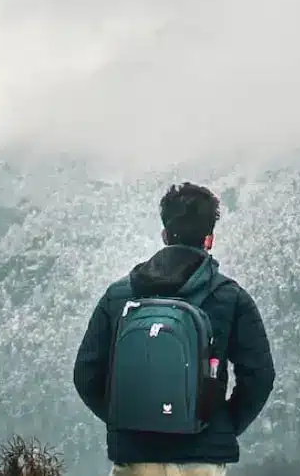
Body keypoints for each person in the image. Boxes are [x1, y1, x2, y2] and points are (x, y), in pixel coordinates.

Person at [72, 182, 275, 475]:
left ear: (165, 235)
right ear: (209, 239)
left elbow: (86, 374)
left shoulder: (119, 295)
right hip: (202, 460)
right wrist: (219, 426)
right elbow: (260, 377)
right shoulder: (231, 297)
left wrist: (127, 419)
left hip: (137, 458)